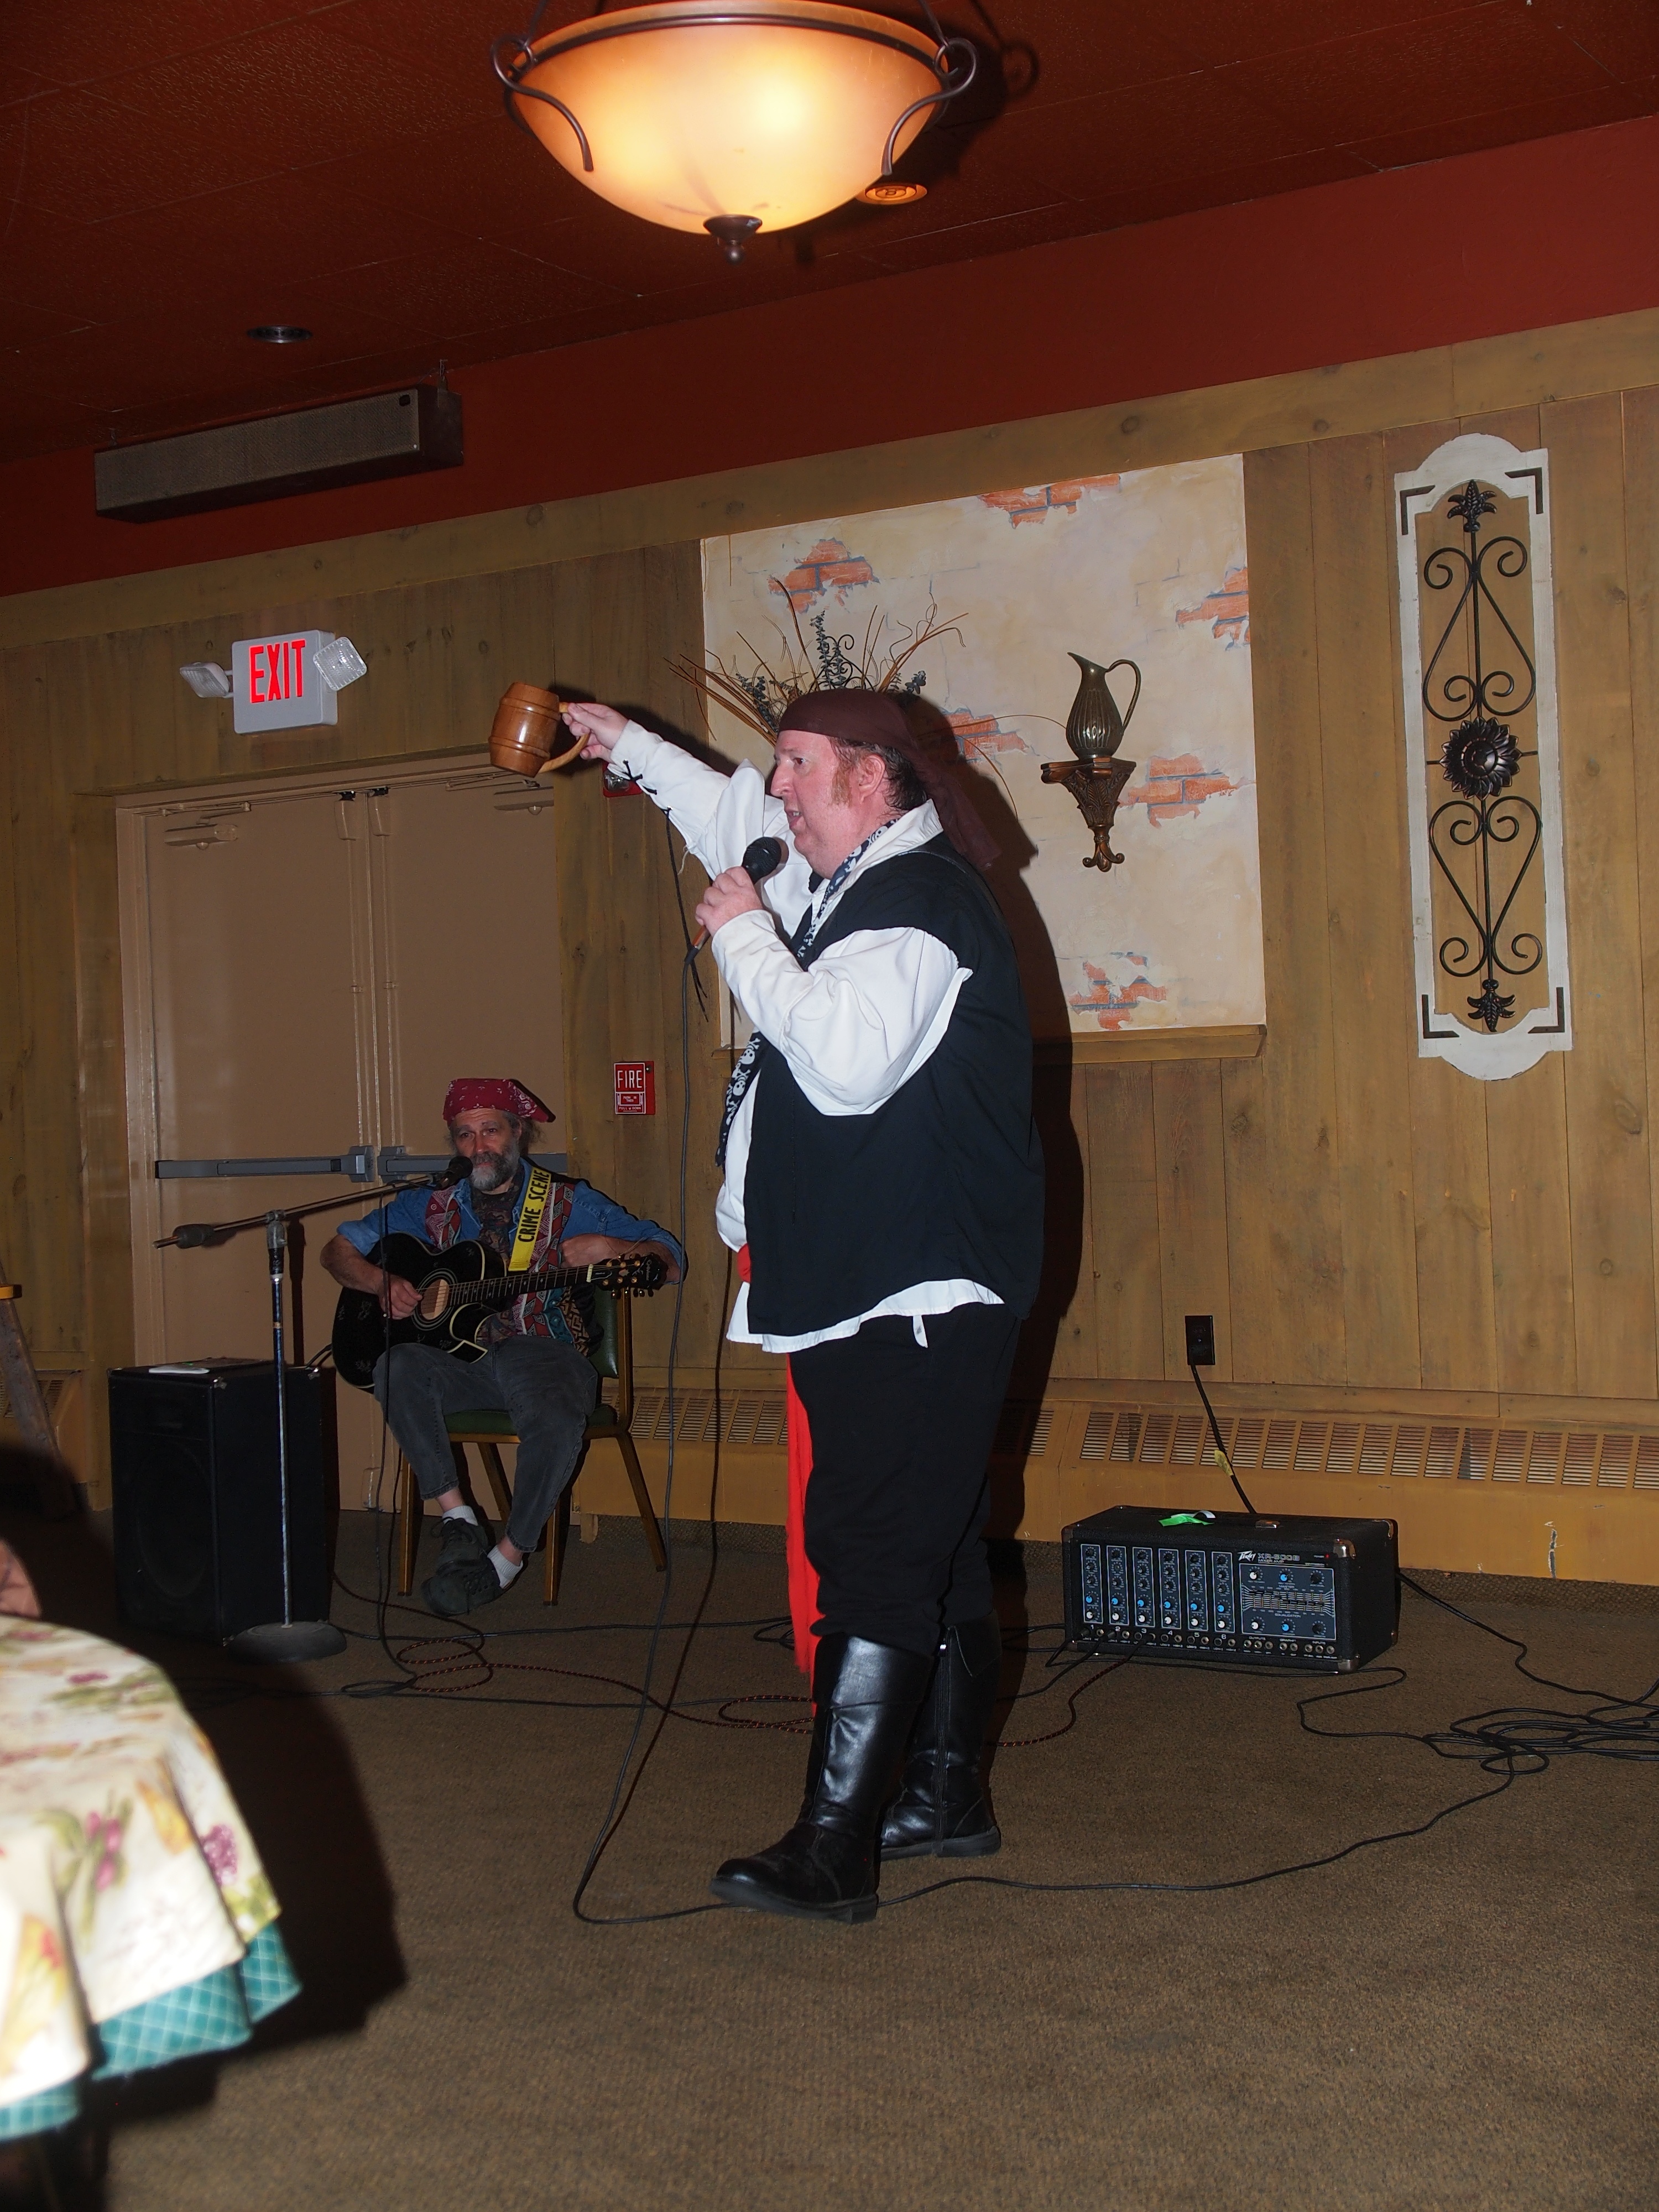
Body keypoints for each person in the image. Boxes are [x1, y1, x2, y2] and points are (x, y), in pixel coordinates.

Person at [562, 691, 1044, 1926]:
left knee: (875, 1549)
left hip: (915, 1284)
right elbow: (727, 814)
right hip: (872, 1276)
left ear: (872, 779)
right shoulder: (848, 883)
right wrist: (629, 747)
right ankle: (943, 1795)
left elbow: (845, 1062)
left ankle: (834, 1848)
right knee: (926, 1542)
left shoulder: (919, 900)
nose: (774, 786)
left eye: (795, 764)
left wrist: (741, 936)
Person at [320, 1079, 683, 1618]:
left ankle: (507, 1559)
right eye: (464, 1135)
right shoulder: (428, 1204)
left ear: (518, 1132)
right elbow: (337, 1251)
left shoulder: (568, 1201)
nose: (478, 1146)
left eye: (490, 1130)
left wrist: (612, 1246)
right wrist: (379, 1282)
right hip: (461, 1364)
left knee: (555, 1415)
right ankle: (458, 1520)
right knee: (395, 1364)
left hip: (543, 1353)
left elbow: (671, 1261)